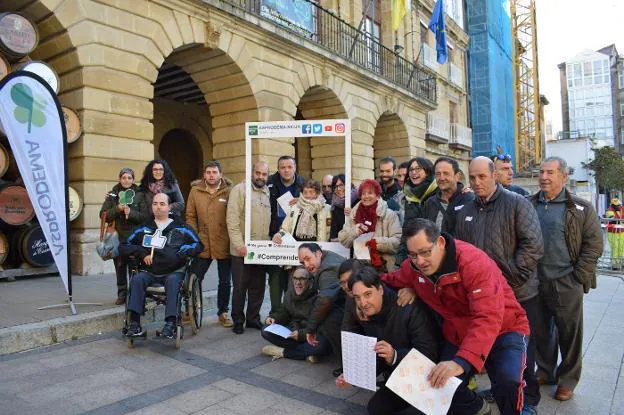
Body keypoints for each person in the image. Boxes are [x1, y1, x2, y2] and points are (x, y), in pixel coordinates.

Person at [382, 219, 530, 415]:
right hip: (458, 332)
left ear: (441, 243)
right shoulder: (414, 267)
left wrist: (461, 362)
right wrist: (359, 278)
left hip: (506, 326)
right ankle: (477, 408)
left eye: (426, 252)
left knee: (508, 381)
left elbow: (487, 316)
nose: (420, 261)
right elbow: (391, 279)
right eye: (413, 255)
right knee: (440, 383)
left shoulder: (473, 262)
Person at [455, 156, 544, 413]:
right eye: (472, 177)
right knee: (494, 348)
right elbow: (461, 252)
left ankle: (528, 399)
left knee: (522, 355)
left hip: (519, 293)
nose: (477, 182)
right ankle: (501, 390)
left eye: (482, 176)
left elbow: (533, 246)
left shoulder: (517, 204)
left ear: (494, 175)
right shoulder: (467, 211)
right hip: (483, 298)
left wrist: (505, 283)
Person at [529, 156, 603, 401]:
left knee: (569, 334)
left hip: (566, 281)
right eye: (541, 172)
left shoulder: (580, 208)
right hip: (536, 282)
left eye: (550, 172)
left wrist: (577, 276)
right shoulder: (528, 205)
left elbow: (594, 245)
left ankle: (568, 379)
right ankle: (546, 371)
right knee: (541, 331)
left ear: (563, 176)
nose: (544, 177)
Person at [337, 266, 441, 415]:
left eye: (368, 294)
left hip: (428, 378)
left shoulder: (409, 307)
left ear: (380, 289)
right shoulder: (363, 312)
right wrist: (353, 376)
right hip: (399, 377)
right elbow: (372, 351)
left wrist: (395, 356)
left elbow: (429, 353)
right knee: (375, 409)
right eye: (357, 297)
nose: (363, 303)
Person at [121, 193, 203, 338]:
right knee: (137, 280)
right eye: (155, 204)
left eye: (162, 204)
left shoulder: (181, 227)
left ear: (169, 206)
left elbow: (198, 245)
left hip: (173, 271)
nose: (158, 207)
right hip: (149, 271)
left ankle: (171, 324)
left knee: (172, 282)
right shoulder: (143, 228)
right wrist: (141, 252)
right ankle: (134, 324)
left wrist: (183, 251)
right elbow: (123, 246)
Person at [186, 160, 234, 328]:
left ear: (221, 174)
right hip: (203, 241)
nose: (211, 175)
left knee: (225, 281)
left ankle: (223, 312)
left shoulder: (229, 191)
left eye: (214, 172)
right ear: (204, 174)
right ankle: (190, 310)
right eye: (208, 172)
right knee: (195, 277)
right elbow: (190, 216)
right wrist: (195, 235)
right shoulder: (195, 191)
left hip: (224, 241)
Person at [226, 162, 272, 334]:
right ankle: (238, 319)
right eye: (258, 173)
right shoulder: (240, 190)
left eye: (264, 174)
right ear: (252, 173)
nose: (260, 177)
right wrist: (238, 244)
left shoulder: (267, 192)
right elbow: (232, 219)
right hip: (242, 249)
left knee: (258, 287)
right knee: (239, 287)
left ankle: (253, 319)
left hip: (261, 250)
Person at [260, 267, 332, 363]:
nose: (298, 282)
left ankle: (284, 352)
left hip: (310, 335)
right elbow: (284, 311)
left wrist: (302, 334)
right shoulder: (289, 293)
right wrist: (274, 318)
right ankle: (306, 353)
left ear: (310, 281)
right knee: (266, 330)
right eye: (295, 278)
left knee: (323, 345)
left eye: (302, 279)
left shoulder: (318, 297)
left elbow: (320, 325)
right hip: (293, 332)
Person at [99, 168, 149, 304]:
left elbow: (145, 217)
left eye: (129, 178)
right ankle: (122, 294)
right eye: (124, 178)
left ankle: (135, 293)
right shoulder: (112, 195)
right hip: (118, 236)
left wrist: (130, 212)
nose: (126, 180)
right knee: (119, 265)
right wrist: (117, 209)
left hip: (134, 237)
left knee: (134, 266)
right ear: (119, 179)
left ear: (133, 179)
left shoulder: (140, 194)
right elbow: (103, 214)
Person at [268, 156, 306, 314]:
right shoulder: (270, 182)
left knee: (294, 276)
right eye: (282, 167)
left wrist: (302, 200)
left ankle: (292, 313)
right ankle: (275, 312)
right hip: (275, 236)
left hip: (296, 237)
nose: (286, 170)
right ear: (278, 168)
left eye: (289, 167)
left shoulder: (303, 183)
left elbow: (317, 200)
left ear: (295, 167)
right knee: (275, 276)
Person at [338, 179, 401, 272]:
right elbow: (343, 239)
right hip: (361, 268)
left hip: (384, 268)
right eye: (363, 194)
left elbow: (397, 242)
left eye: (370, 193)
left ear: (377, 195)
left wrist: (376, 243)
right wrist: (354, 231)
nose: (366, 196)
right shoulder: (354, 214)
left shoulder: (389, 214)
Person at [297, 243, 345, 359]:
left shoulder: (328, 269)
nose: (307, 265)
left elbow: (325, 300)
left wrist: (310, 329)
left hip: (354, 308)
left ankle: (345, 363)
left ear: (318, 253)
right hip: (348, 304)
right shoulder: (326, 259)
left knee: (329, 318)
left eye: (308, 259)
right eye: (303, 263)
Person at [396, 157, 438, 265]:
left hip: (435, 253)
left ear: (427, 171)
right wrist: (400, 262)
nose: (414, 173)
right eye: (411, 170)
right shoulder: (409, 195)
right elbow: (407, 231)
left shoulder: (438, 192)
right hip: (415, 256)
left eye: (418, 169)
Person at [423, 157, 474, 236]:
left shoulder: (469, 200)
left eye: (446, 173)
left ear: (457, 176)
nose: (442, 178)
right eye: (438, 174)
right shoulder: (430, 203)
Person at [328, 174, 358, 241]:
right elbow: (334, 232)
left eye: (341, 185)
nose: (338, 189)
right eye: (335, 186)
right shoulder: (335, 205)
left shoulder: (358, 200)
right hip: (341, 245)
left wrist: (353, 214)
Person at [605, 198, 624, 265]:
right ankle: (614, 263)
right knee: (615, 247)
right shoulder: (609, 210)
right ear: (613, 205)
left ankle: (621, 261)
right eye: (617, 205)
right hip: (613, 232)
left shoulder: (621, 208)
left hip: (621, 231)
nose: (619, 206)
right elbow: (613, 220)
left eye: (619, 205)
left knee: (621, 246)